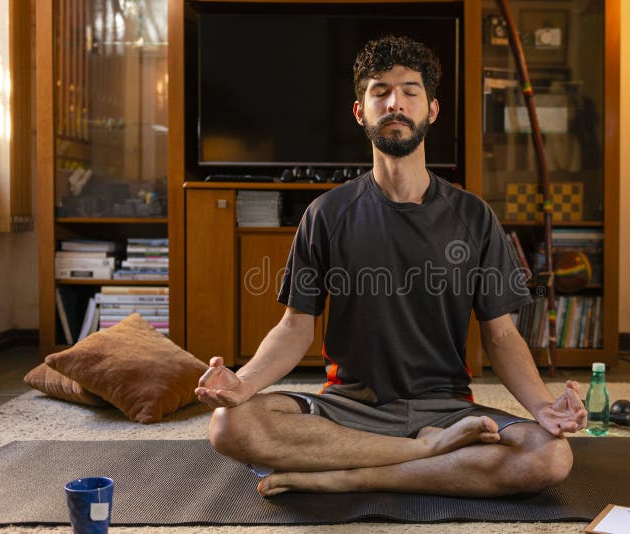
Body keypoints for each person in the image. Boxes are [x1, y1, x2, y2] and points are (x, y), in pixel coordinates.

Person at [196, 35, 587, 498]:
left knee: (549, 454)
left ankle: (355, 474)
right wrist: (243, 384)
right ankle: (425, 455)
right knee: (229, 426)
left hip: (445, 409)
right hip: (350, 407)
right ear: (361, 111)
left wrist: (542, 406)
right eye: (380, 91)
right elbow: (295, 327)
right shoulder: (327, 213)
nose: (395, 103)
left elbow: (500, 334)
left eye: (410, 91)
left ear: (432, 110)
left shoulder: (474, 216)